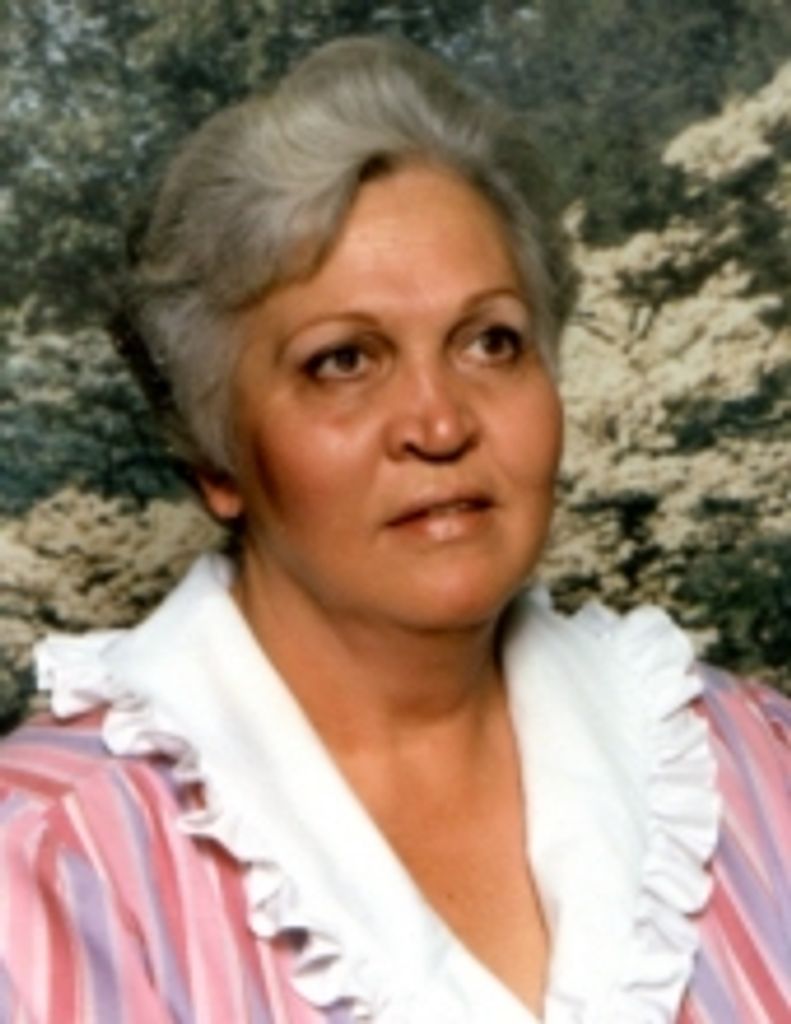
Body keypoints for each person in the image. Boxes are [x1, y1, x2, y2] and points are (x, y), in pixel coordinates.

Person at [1, 35, 789, 1024]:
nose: (440, 423)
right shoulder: (50, 862)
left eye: (489, 342)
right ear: (215, 458)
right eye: (342, 361)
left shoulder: (754, 765)